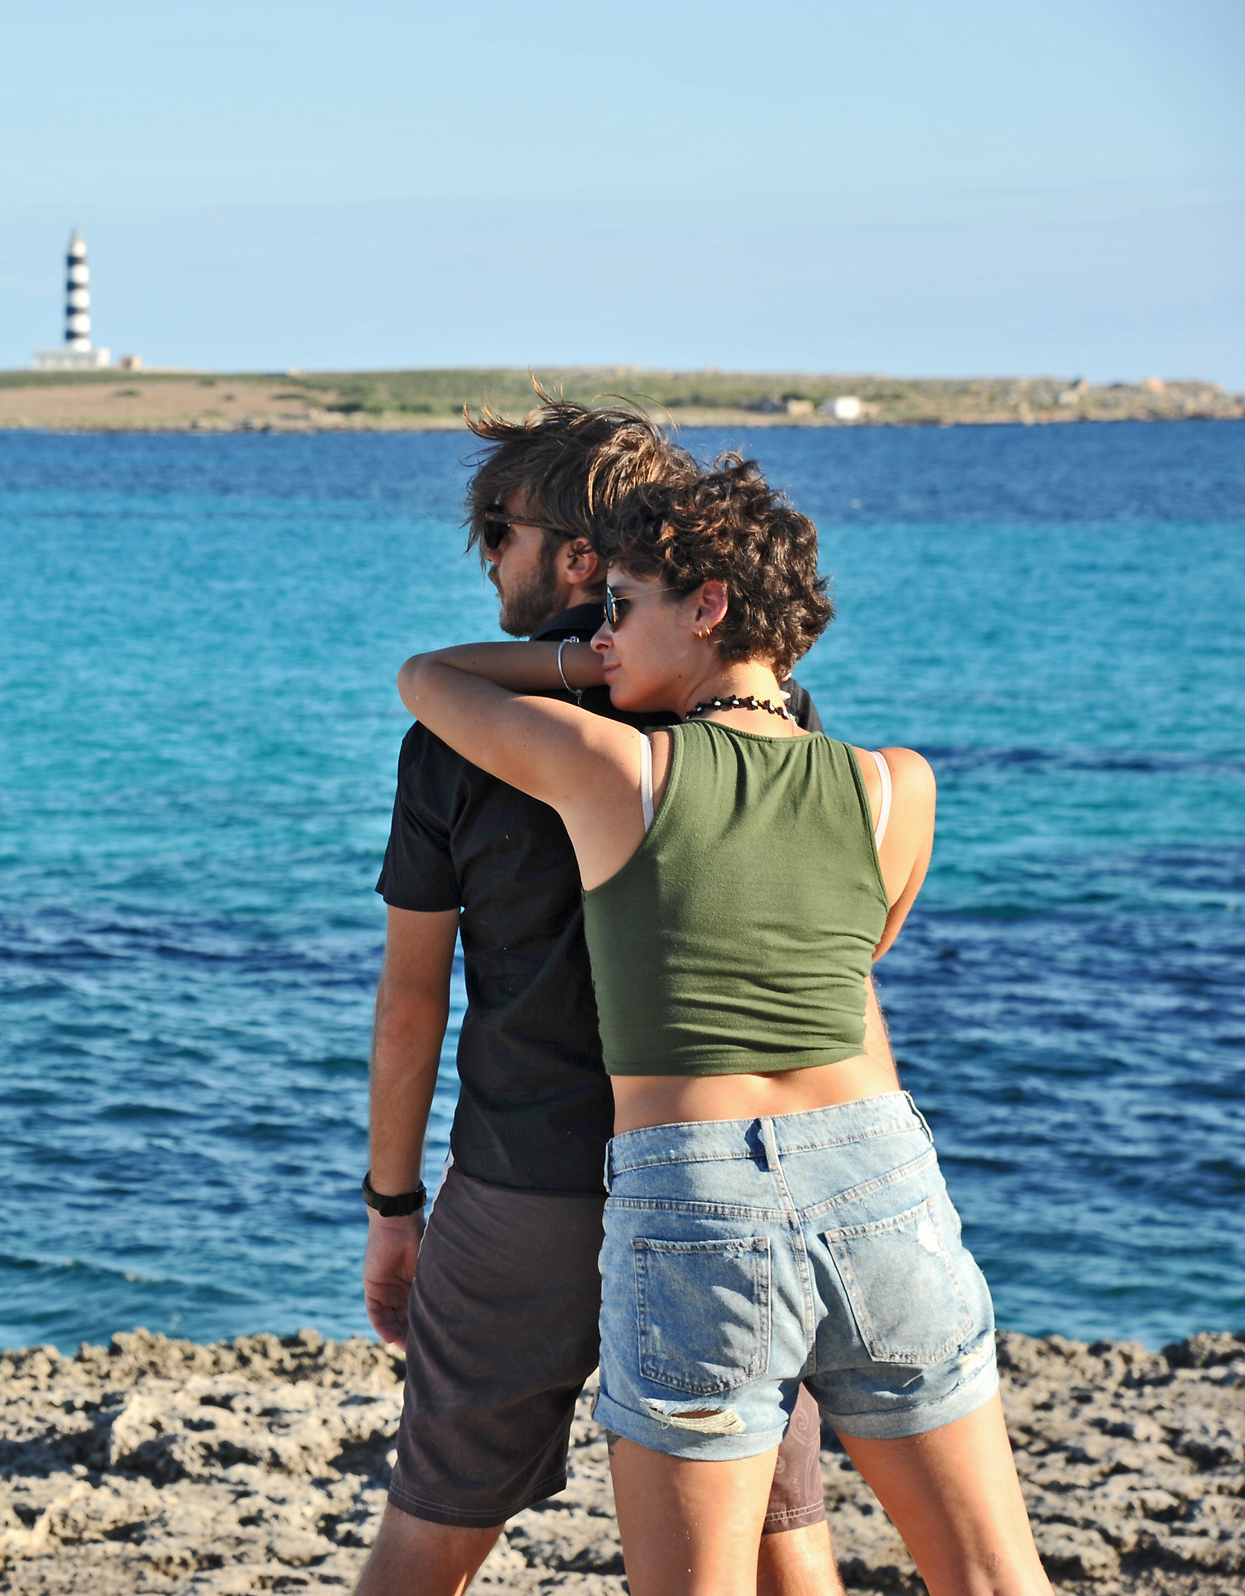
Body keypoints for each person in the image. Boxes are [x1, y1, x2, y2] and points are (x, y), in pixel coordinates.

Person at [393, 458, 1049, 1596]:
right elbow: (851, 962)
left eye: (625, 611)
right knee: (995, 1576)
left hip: (701, 1193)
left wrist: (563, 664)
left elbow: (426, 677)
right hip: (885, 1178)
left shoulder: (614, 772)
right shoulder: (897, 786)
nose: (605, 641)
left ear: (708, 607)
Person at [355, 402, 837, 1596]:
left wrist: (394, 1202)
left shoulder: (457, 730)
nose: (486, 557)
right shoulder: (756, 717)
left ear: (576, 555)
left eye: (497, 528)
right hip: (727, 1184)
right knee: (779, 1545)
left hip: (527, 1182)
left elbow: (411, 1006)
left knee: (430, 1537)